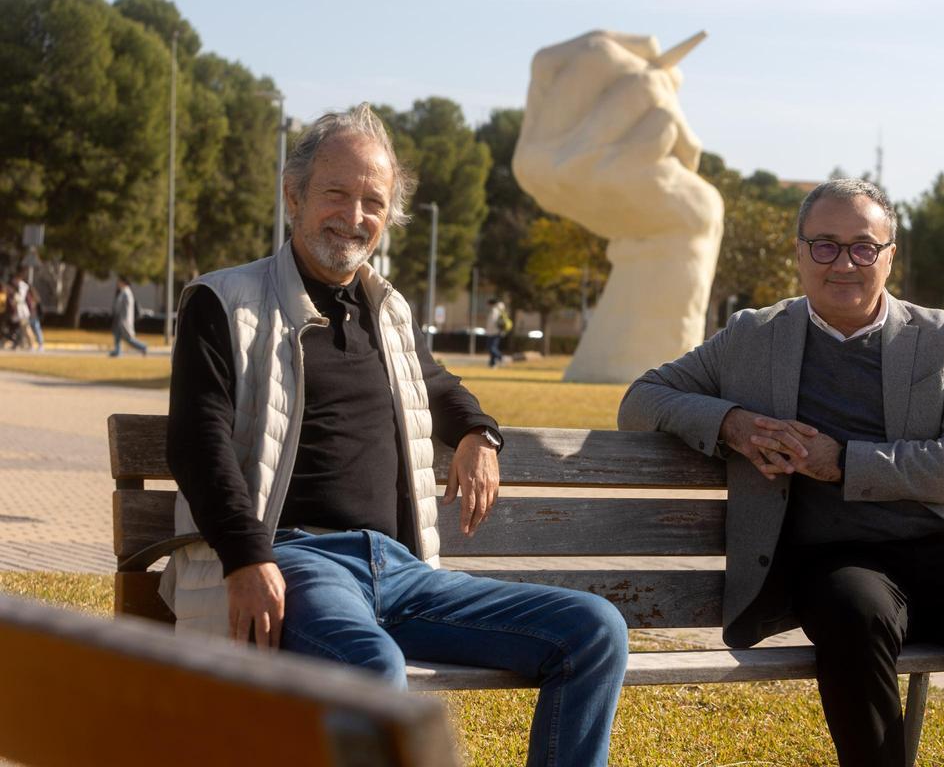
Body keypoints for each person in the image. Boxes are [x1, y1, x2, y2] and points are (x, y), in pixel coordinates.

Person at [161, 103, 626, 767]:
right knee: (371, 664)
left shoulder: (388, 310)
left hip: (400, 571)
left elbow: (436, 386)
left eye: (372, 202)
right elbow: (197, 443)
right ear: (293, 195)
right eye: (336, 194)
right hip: (295, 564)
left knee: (594, 630)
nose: (354, 217)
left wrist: (477, 433)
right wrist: (245, 556)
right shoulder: (223, 303)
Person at [618, 179, 944, 767]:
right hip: (838, 563)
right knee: (853, 614)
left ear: (890, 256)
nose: (843, 262)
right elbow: (641, 399)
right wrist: (732, 424)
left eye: (863, 247)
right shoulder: (752, 336)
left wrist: (844, 461)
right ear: (798, 253)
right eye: (824, 245)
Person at [110, 275, 148, 356]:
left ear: (123, 282)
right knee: (117, 335)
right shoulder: (124, 292)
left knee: (128, 339)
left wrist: (122, 319)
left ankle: (143, 347)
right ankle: (117, 351)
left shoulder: (126, 293)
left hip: (123, 320)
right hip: (121, 319)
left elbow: (124, 308)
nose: (118, 283)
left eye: (119, 282)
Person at [484, 297, 509, 367]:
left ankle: (501, 358)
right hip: (495, 332)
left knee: (491, 347)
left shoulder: (494, 310)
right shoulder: (499, 310)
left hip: (494, 332)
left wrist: (488, 330)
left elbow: (492, 322)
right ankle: (492, 364)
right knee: (492, 347)